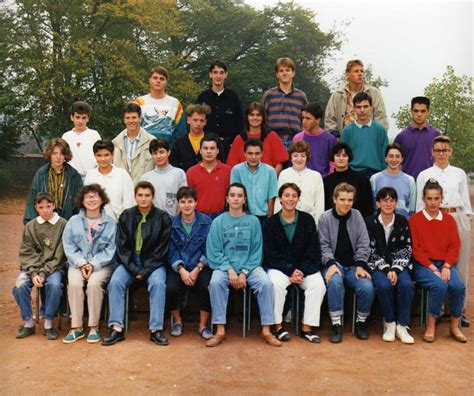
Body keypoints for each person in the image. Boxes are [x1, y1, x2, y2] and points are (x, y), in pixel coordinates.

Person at [205, 183, 281, 347]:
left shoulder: (253, 221)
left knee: (266, 283)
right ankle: (220, 330)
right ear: (227, 198)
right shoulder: (218, 222)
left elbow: (256, 251)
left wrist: (244, 272)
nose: (236, 199)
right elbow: (214, 251)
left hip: (250, 267)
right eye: (232, 195)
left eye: (240, 196)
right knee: (216, 282)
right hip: (224, 267)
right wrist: (230, 270)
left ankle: (266, 330)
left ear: (245, 199)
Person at [103, 181, 171, 346]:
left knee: (158, 283)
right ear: (135, 197)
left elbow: (163, 249)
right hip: (130, 262)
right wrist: (134, 269)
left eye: (147, 195)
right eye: (140, 195)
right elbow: (122, 248)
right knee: (116, 282)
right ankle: (117, 328)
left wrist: (146, 269)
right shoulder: (126, 216)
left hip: (153, 263)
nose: (143, 199)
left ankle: (156, 329)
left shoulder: (162, 217)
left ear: (152, 197)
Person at [416, 136, 472, 327]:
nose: (441, 153)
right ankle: (437, 309)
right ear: (432, 152)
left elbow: (465, 199)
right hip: (433, 217)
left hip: (456, 215)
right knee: (435, 260)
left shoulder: (459, 173)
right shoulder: (424, 174)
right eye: (438, 150)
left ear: (450, 152)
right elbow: (419, 205)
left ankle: (458, 310)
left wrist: (466, 218)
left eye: (445, 150)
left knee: (459, 264)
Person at [264, 183, 326, 343]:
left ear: (298, 199)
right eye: (286, 195)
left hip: (304, 268)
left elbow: (313, 251)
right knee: (275, 285)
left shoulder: (307, 220)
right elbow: (270, 254)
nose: (290, 199)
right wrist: (290, 270)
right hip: (281, 268)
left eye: (293, 196)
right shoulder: (271, 223)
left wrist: (302, 271)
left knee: (318, 285)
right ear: (280, 199)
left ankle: (307, 327)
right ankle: (278, 326)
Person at [410, 179, 467, 343]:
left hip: (445, 264)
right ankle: (431, 326)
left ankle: (455, 326)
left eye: (436, 198)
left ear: (442, 199)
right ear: (423, 199)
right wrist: (432, 268)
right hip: (423, 265)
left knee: (457, 286)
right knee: (439, 285)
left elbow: (454, 245)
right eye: (429, 198)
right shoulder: (415, 220)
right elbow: (416, 249)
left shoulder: (449, 220)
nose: (433, 202)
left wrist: (447, 266)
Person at [318, 182, 374, 343]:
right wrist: (330, 264)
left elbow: (364, 243)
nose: (346, 203)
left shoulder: (357, 216)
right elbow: (323, 245)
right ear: (334, 199)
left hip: (353, 266)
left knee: (367, 287)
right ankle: (337, 324)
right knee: (335, 282)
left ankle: (360, 322)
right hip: (332, 264)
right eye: (342, 199)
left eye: (349, 200)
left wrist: (361, 265)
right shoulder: (325, 218)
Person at [62, 184, 116, 344]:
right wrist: (82, 263)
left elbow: (110, 249)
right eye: (88, 197)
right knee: (74, 284)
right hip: (77, 264)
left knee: (93, 284)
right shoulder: (73, 221)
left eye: (95, 196)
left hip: (102, 265)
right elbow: (69, 246)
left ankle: (94, 326)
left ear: (102, 200)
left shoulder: (111, 223)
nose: (91, 200)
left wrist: (92, 265)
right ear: (82, 200)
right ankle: (76, 328)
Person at [12, 192, 66, 340]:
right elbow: (26, 252)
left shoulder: (63, 224)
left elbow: (60, 255)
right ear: (36, 208)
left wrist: (43, 274)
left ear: (54, 206)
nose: (45, 210)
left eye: (48, 206)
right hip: (32, 269)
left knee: (55, 285)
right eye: (41, 207)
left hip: (53, 268)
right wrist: (34, 273)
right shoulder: (30, 226)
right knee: (19, 286)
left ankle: (48, 323)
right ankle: (28, 322)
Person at [365, 187, 414, 344]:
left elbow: (406, 249)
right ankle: (390, 322)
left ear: (396, 203)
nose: (388, 203)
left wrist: (394, 269)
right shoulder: (369, 222)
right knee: (384, 285)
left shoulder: (402, 221)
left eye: (392, 200)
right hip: (377, 266)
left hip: (399, 265)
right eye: (384, 200)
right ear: (377, 203)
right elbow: (368, 250)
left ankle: (402, 324)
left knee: (406, 285)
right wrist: (386, 269)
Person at [167, 187, 213, 340]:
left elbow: (209, 248)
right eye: (183, 202)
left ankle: (203, 325)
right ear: (178, 204)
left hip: (200, 266)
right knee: (171, 287)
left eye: (190, 202)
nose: (186, 205)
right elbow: (171, 250)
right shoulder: (172, 224)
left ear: (196, 203)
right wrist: (181, 270)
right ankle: (178, 321)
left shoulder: (206, 222)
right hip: (180, 267)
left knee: (207, 286)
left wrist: (198, 268)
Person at [24, 138, 83, 224]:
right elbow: (32, 199)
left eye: (62, 153)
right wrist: (31, 222)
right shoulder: (41, 174)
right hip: (45, 219)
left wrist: (77, 223)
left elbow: (79, 202)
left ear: (66, 156)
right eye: (54, 153)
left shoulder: (74, 175)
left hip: (67, 220)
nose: (58, 157)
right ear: (50, 154)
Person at [324, 59, 388, 134]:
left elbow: (381, 116)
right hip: (345, 139)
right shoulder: (338, 94)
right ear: (347, 74)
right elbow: (330, 119)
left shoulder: (373, 93)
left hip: (369, 137)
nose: (360, 74)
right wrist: (337, 138)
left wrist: (377, 135)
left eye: (361, 71)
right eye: (356, 71)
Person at [196, 60, 244, 159]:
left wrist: (235, 144)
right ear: (210, 74)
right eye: (215, 72)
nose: (218, 76)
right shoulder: (202, 98)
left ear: (226, 75)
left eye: (221, 73)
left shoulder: (233, 97)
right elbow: (196, 121)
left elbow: (240, 122)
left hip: (229, 146)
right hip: (207, 148)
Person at [226, 102, 288, 175]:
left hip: (267, 181)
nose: (255, 118)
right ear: (247, 117)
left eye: (258, 115)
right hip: (244, 182)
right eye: (252, 115)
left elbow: (279, 163)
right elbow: (232, 167)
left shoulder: (272, 136)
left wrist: (271, 179)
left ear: (263, 117)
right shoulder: (239, 139)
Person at [261, 57, 308, 148]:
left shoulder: (301, 96)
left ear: (293, 73)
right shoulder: (269, 95)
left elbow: (306, 120)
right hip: (273, 139)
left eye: (288, 70)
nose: (284, 73)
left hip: (295, 140)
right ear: (277, 74)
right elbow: (262, 118)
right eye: (281, 71)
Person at [230, 139, 278, 228]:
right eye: (250, 153)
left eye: (257, 153)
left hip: (264, 217)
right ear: (244, 153)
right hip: (243, 216)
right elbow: (235, 195)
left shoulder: (270, 171)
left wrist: (270, 219)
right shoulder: (237, 170)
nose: (253, 157)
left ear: (262, 154)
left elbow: (271, 198)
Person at [134, 66, 187, 145]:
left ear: (166, 82)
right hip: (143, 149)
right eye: (155, 78)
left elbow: (181, 132)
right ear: (149, 80)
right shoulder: (139, 102)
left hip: (167, 151)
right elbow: (132, 127)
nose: (158, 81)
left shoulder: (175, 103)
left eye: (162, 79)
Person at [340, 92, 388, 179]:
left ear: (371, 107)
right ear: (354, 108)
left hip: (376, 174)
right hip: (353, 174)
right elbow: (342, 156)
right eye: (358, 107)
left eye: (365, 106)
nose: (362, 110)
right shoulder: (347, 131)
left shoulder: (380, 130)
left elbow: (385, 155)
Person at [274, 141, 324, 223]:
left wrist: (317, 224)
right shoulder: (284, 174)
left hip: (310, 220)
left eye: (303, 156)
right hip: (287, 220)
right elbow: (279, 199)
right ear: (290, 157)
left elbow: (319, 204)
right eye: (295, 155)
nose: (299, 159)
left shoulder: (316, 176)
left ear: (307, 157)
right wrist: (277, 221)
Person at [85, 140, 135, 221]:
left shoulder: (122, 174)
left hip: (119, 223)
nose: (103, 159)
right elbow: (87, 200)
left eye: (106, 155)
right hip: (95, 222)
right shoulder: (90, 175)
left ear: (112, 155)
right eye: (99, 155)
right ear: (95, 156)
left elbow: (129, 202)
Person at [394, 96, 441, 179]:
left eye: (423, 111)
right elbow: (395, 163)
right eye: (416, 111)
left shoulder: (436, 135)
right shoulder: (401, 137)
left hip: (432, 184)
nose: (419, 114)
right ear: (411, 111)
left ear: (428, 112)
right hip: (408, 184)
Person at [323, 143, 374, 217]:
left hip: (357, 222)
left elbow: (368, 206)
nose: (341, 158)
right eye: (338, 155)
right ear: (333, 158)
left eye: (344, 155)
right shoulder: (326, 181)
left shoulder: (361, 179)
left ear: (349, 158)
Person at [186, 135, 231, 219]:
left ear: (217, 151)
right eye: (205, 148)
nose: (209, 151)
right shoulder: (191, 172)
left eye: (212, 148)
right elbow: (189, 197)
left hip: (222, 216)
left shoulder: (228, 171)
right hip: (198, 217)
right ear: (200, 151)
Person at [170, 103, 224, 171]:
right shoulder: (179, 142)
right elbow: (174, 166)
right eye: (195, 120)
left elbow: (221, 160)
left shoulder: (214, 139)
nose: (198, 124)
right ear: (188, 120)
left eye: (201, 121)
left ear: (205, 122)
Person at [141, 138, 187, 217]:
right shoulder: (146, 178)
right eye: (155, 153)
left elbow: (184, 198)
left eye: (161, 152)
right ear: (151, 155)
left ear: (168, 152)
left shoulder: (179, 173)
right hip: (153, 222)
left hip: (174, 220)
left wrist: (176, 219)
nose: (158, 156)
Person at [112, 102, 155, 184]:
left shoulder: (152, 142)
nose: (131, 121)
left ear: (140, 119)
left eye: (134, 117)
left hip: (145, 192)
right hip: (122, 191)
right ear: (124, 120)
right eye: (128, 118)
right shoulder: (114, 144)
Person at [370, 143, 416, 218]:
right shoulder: (375, 179)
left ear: (402, 159)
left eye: (397, 156)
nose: (394, 160)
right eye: (391, 156)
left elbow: (412, 209)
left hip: (402, 224)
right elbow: (373, 205)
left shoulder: (410, 180)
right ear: (385, 158)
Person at [292, 102, 337, 176]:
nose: (303, 122)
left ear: (318, 120)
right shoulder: (297, 138)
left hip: (323, 181)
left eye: (308, 118)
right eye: (302, 117)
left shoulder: (330, 139)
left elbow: (333, 164)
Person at [62, 101, 101, 182]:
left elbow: (100, 156)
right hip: (71, 179)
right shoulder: (66, 136)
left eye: (83, 118)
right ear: (72, 117)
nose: (80, 121)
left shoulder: (94, 135)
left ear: (88, 118)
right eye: (77, 117)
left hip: (91, 178)